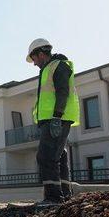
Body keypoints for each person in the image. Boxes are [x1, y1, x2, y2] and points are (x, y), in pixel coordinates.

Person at [27, 38, 80, 204]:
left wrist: (57, 116)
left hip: (56, 119)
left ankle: (53, 197)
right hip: (52, 119)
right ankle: (64, 193)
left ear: (41, 54)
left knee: (46, 156)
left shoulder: (58, 66)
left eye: (34, 59)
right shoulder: (49, 68)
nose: (34, 63)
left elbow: (62, 92)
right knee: (59, 155)